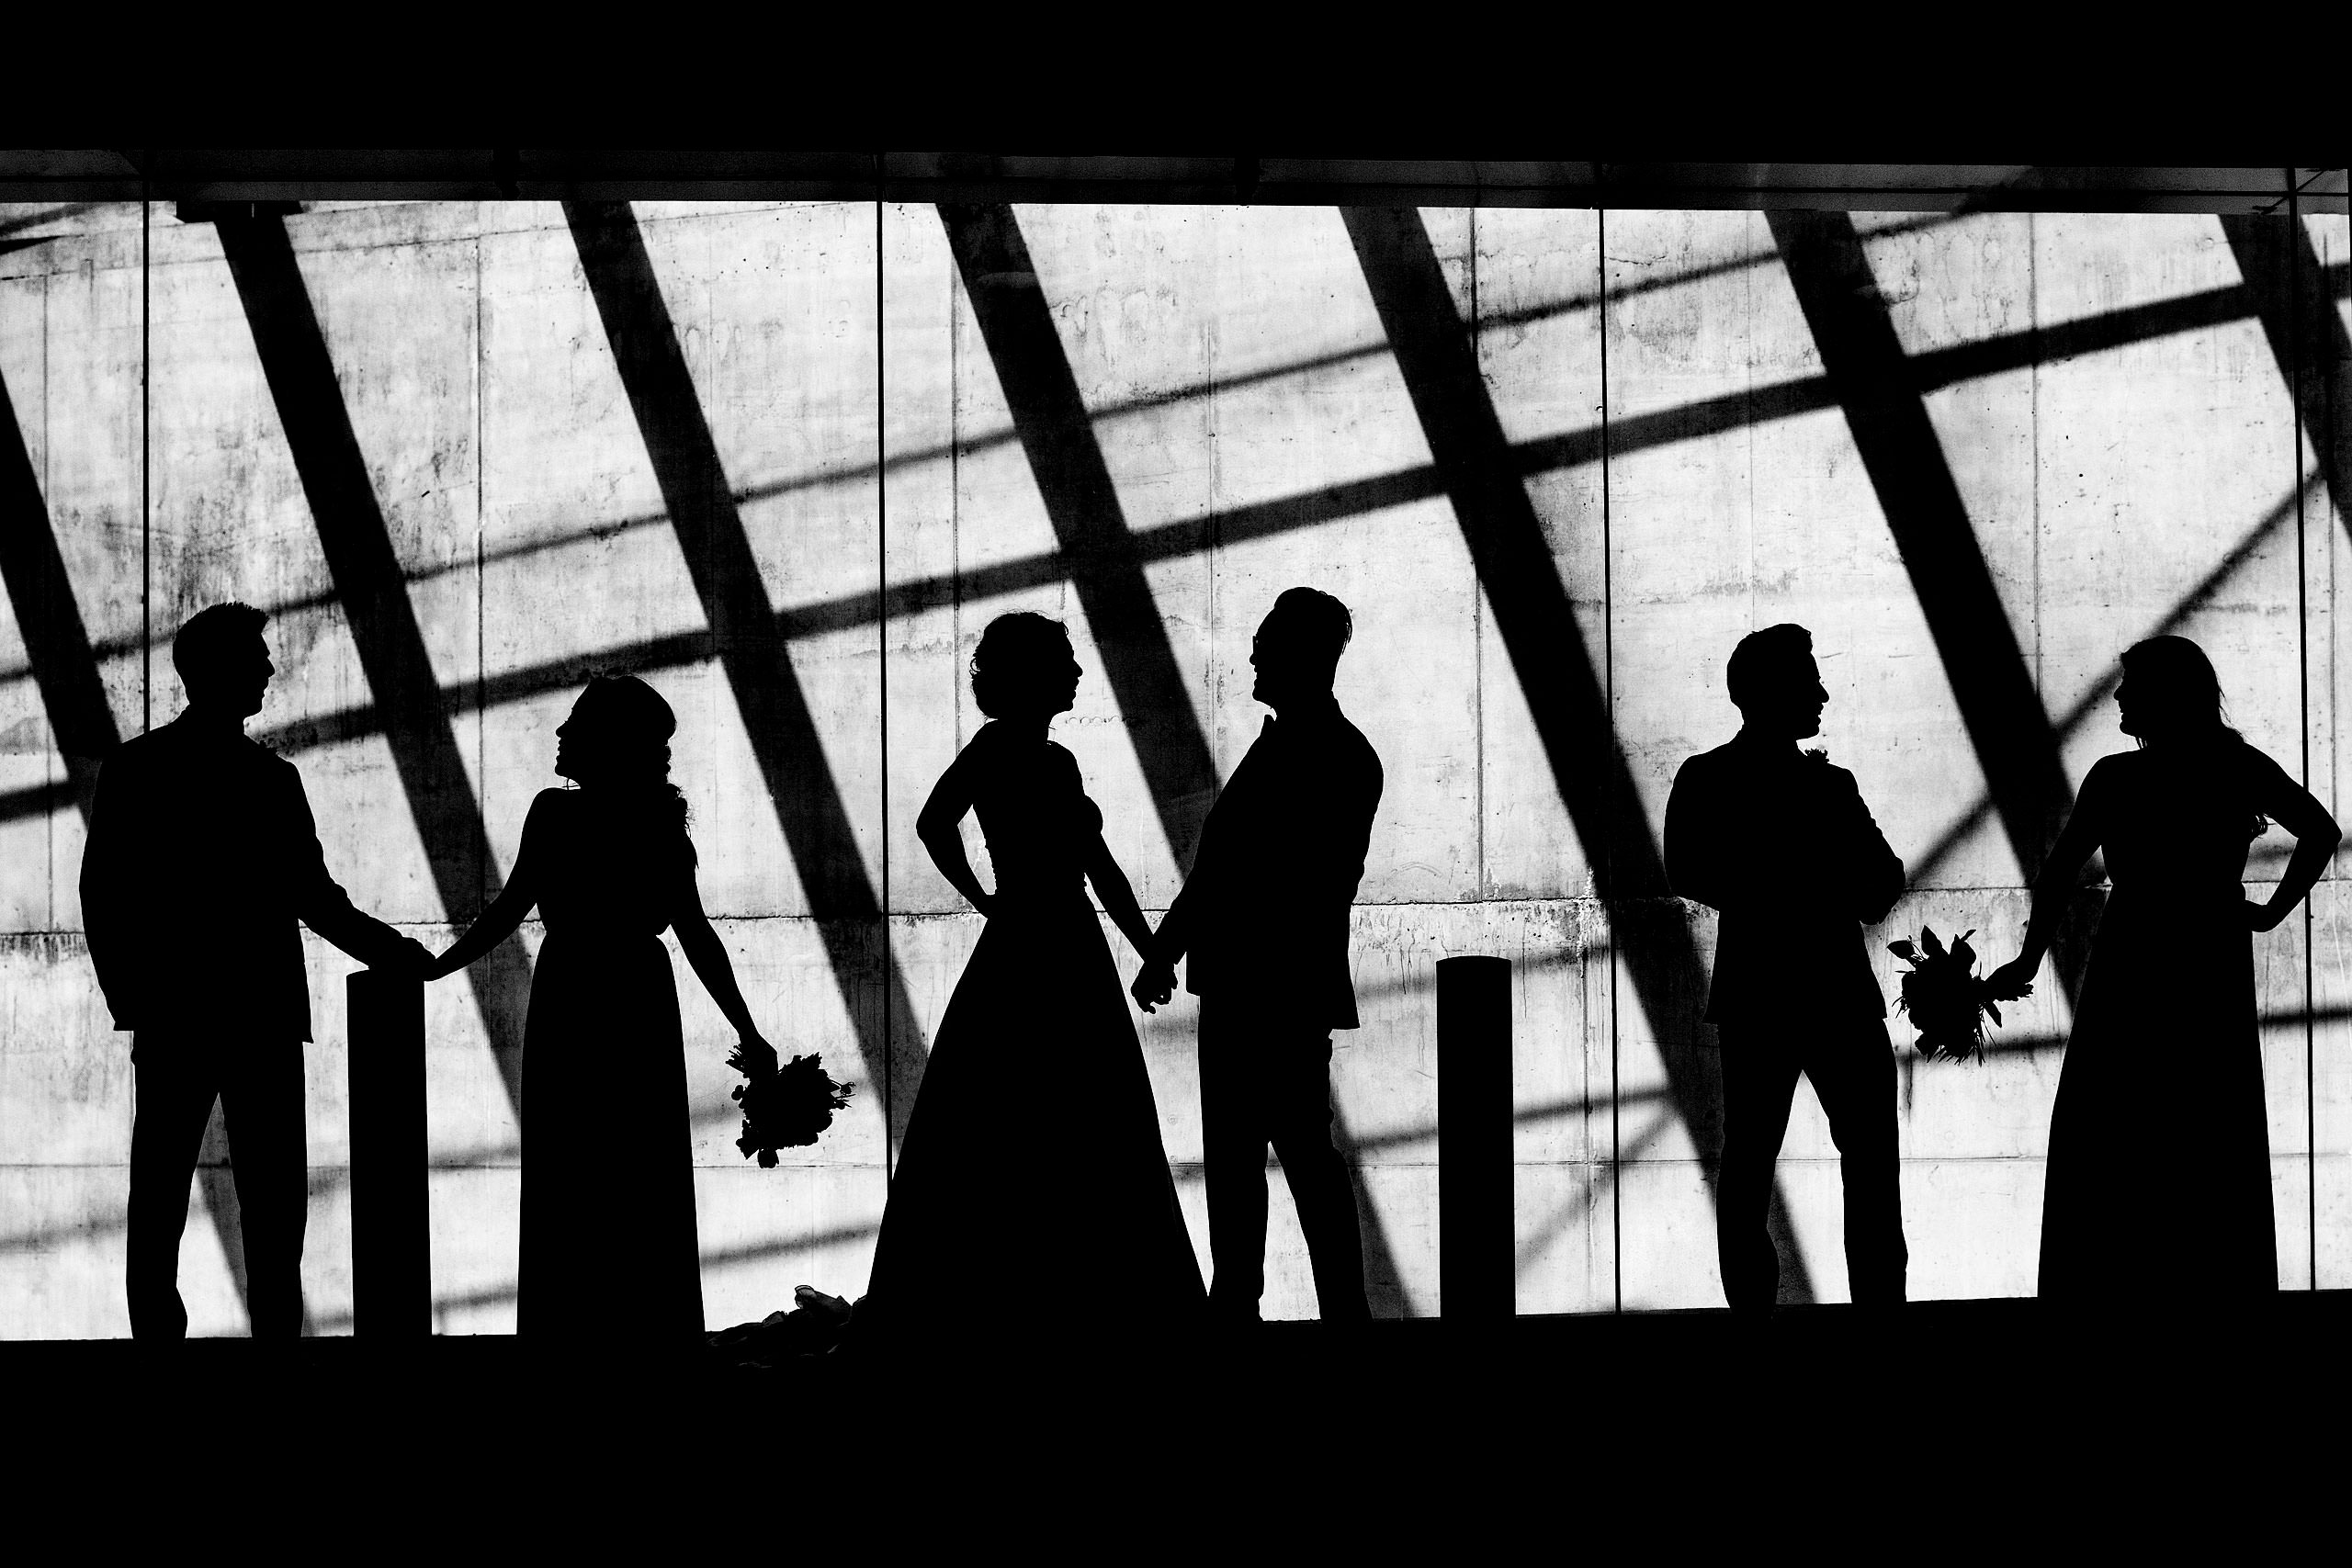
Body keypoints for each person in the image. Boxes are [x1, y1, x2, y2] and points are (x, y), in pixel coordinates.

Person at [81, 602, 430, 1339]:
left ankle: (161, 1347)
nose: (271, 668)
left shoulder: (138, 769)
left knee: (162, 1195)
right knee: (272, 1203)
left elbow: (104, 893)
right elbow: (314, 899)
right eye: (256, 656)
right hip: (259, 1014)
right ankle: (275, 1349)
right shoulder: (270, 780)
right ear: (216, 670)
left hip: (177, 1011)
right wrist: (389, 950)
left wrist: (137, 998)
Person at [858, 613, 1204, 1349]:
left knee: (1009, 1110)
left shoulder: (1047, 759)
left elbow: (1088, 865)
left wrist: (1149, 948)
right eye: (1065, 663)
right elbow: (938, 823)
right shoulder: (1015, 753)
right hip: (1055, 945)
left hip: (1032, 942)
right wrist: (986, 896)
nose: (1078, 674)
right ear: (1032, 675)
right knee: (1070, 1109)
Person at [1986, 636, 2338, 1302]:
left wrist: (2030, 957)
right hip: (2207, 954)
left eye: (2131, 687)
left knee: (2115, 1119)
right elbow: (2319, 830)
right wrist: (2266, 913)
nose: (2118, 696)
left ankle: (2110, 1282)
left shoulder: (2116, 778)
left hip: (2134, 953)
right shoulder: (2236, 767)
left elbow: (2059, 874)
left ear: (2163, 696)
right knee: (2206, 1118)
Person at [425, 675, 775, 1339]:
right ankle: (647, 1331)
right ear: (629, 745)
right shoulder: (660, 823)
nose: (666, 753)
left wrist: (442, 964)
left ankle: (570, 1332)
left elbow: (510, 907)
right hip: (635, 993)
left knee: (574, 1168)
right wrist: (746, 1029)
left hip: (575, 990)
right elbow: (692, 931)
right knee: (639, 1171)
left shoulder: (558, 815)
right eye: (655, 741)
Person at [1132, 588, 1383, 1327]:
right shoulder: (1337, 753)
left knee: (1260, 1152)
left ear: (1297, 655)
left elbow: (1225, 872)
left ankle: (1249, 1299)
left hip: (1259, 982)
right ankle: (1323, 1304)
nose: (1251, 654)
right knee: (1293, 1149)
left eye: (1265, 642)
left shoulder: (1306, 753)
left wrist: (1167, 950)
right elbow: (1234, 871)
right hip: (1283, 981)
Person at [1663, 624, 1907, 1315]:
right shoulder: (1829, 786)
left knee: (1748, 1163)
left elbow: (1688, 868)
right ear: (1770, 691)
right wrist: (1825, 881)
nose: (1824, 692)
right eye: (1809, 681)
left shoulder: (1708, 777)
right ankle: (1881, 1311)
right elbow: (1881, 880)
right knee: (1867, 1167)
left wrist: (1770, 883)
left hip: (1758, 991)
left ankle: (1755, 1315)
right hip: (1836, 990)